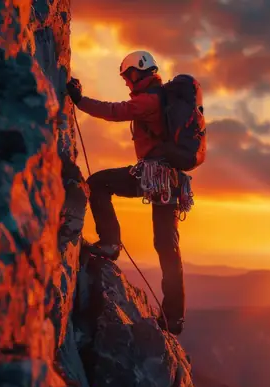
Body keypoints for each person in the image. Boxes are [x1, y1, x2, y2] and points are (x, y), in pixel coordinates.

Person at [66, 51, 187, 335]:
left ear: (138, 72)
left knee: (98, 183)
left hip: (154, 175)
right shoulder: (162, 98)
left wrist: (79, 100)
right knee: (167, 246)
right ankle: (174, 316)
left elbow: (115, 111)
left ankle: (110, 243)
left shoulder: (149, 100)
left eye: (128, 76)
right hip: (171, 180)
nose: (127, 83)